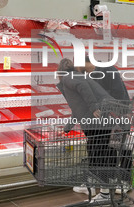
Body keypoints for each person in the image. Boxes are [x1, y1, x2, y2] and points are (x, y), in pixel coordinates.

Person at [56, 58, 118, 202]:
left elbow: (83, 89)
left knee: (100, 156)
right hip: (100, 122)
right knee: (98, 154)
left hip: (99, 123)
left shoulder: (69, 79)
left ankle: (104, 194)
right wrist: (67, 128)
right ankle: (94, 186)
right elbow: (77, 109)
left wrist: (93, 107)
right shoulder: (75, 77)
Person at [74, 56, 131, 196]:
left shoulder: (108, 71)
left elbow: (120, 97)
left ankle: (124, 181)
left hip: (115, 119)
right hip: (96, 121)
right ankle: (96, 181)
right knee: (95, 146)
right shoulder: (86, 75)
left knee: (117, 148)